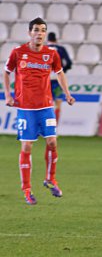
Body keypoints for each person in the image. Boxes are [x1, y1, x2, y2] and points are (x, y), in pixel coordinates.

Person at [3, 17, 75, 205]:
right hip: (26, 108)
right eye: (36, 30)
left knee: (52, 142)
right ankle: (26, 189)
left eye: (43, 30)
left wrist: (67, 94)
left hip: (46, 106)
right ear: (30, 33)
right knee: (27, 147)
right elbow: (6, 71)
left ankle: (51, 179)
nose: (39, 33)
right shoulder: (18, 52)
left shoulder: (51, 54)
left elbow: (60, 73)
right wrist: (8, 95)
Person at [47, 32, 73, 124]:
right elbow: (69, 63)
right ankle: (54, 128)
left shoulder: (43, 49)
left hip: (46, 80)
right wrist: (62, 71)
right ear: (56, 39)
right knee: (58, 103)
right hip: (58, 79)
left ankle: (45, 127)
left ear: (47, 39)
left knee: (46, 104)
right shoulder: (61, 49)